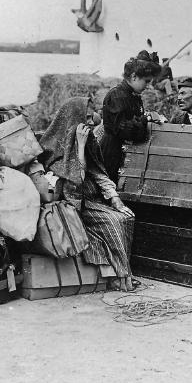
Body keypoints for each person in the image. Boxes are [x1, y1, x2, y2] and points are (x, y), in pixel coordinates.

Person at [39, 97, 136, 291]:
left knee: (127, 215)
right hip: (74, 204)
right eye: (88, 118)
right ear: (75, 119)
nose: (92, 122)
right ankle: (120, 276)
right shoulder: (54, 146)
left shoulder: (89, 140)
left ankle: (122, 273)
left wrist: (114, 197)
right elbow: (76, 181)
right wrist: (80, 148)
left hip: (94, 199)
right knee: (115, 221)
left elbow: (98, 173)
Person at [99, 52, 164, 184]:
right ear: (134, 76)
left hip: (125, 151)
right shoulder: (116, 96)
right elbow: (123, 130)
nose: (148, 86)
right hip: (112, 152)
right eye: (146, 81)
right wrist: (146, 118)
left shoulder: (133, 96)